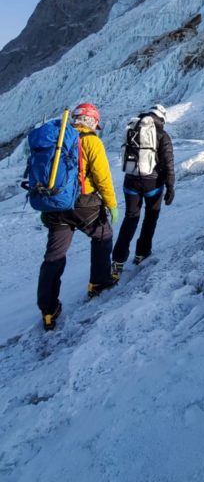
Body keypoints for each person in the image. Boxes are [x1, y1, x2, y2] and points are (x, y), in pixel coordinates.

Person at [37, 102, 119, 330]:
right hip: (85, 205)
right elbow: (103, 178)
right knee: (103, 236)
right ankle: (99, 282)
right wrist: (112, 205)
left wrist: (46, 208)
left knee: (54, 255)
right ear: (92, 121)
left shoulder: (56, 140)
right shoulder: (91, 141)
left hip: (56, 205)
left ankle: (48, 310)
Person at [112, 104, 175, 275]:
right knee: (150, 218)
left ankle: (117, 260)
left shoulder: (133, 128)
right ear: (162, 118)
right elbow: (168, 164)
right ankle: (142, 252)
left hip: (131, 182)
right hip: (152, 184)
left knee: (130, 218)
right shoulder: (162, 135)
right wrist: (170, 188)